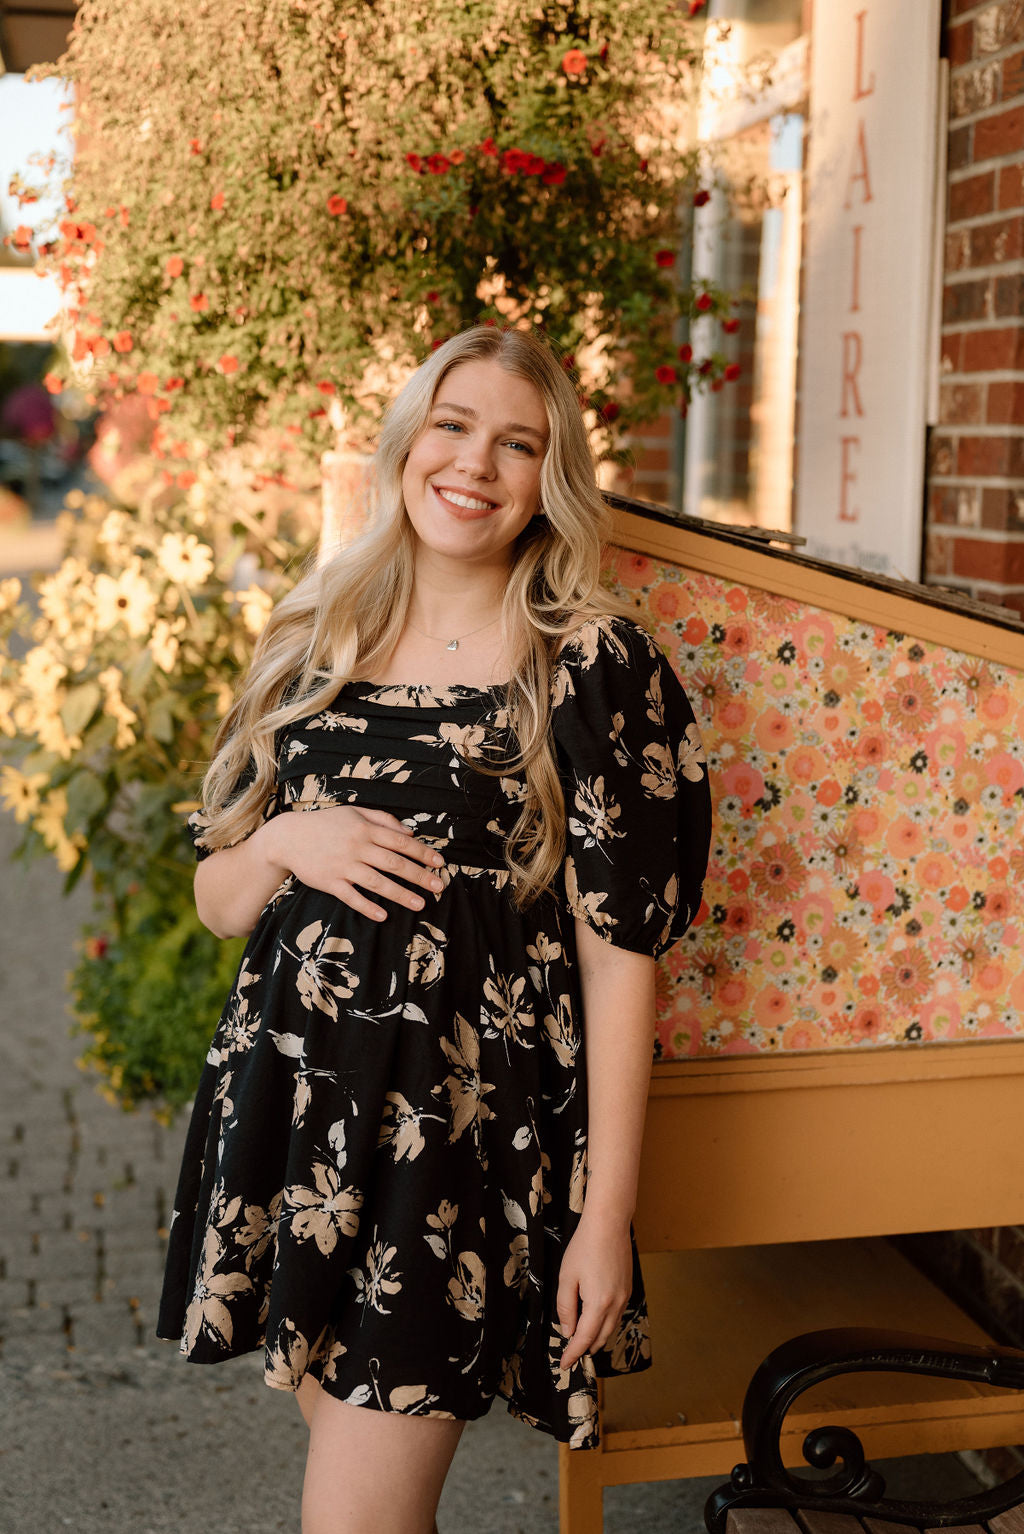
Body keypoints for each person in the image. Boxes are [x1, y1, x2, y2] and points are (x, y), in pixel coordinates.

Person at [157, 324, 712, 1534]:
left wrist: (604, 1212)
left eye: (519, 443)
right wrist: (281, 845)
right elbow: (216, 897)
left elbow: (625, 958)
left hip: (449, 1142)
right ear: (408, 442)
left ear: (548, 479)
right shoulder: (313, 637)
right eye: (453, 425)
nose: (476, 463)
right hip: (296, 1115)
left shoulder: (590, 662)